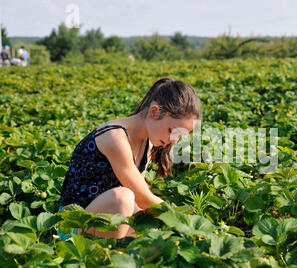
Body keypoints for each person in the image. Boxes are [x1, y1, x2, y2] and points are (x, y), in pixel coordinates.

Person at [57, 78, 202, 239]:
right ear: (154, 112)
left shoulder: (148, 143)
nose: (174, 140)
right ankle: (105, 260)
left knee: (155, 236)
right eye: (172, 130)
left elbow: (140, 201)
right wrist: (185, 223)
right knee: (123, 198)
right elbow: (142, 198)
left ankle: (117, 253)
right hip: (71, 225)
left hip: (106, 220)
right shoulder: (115, 138)